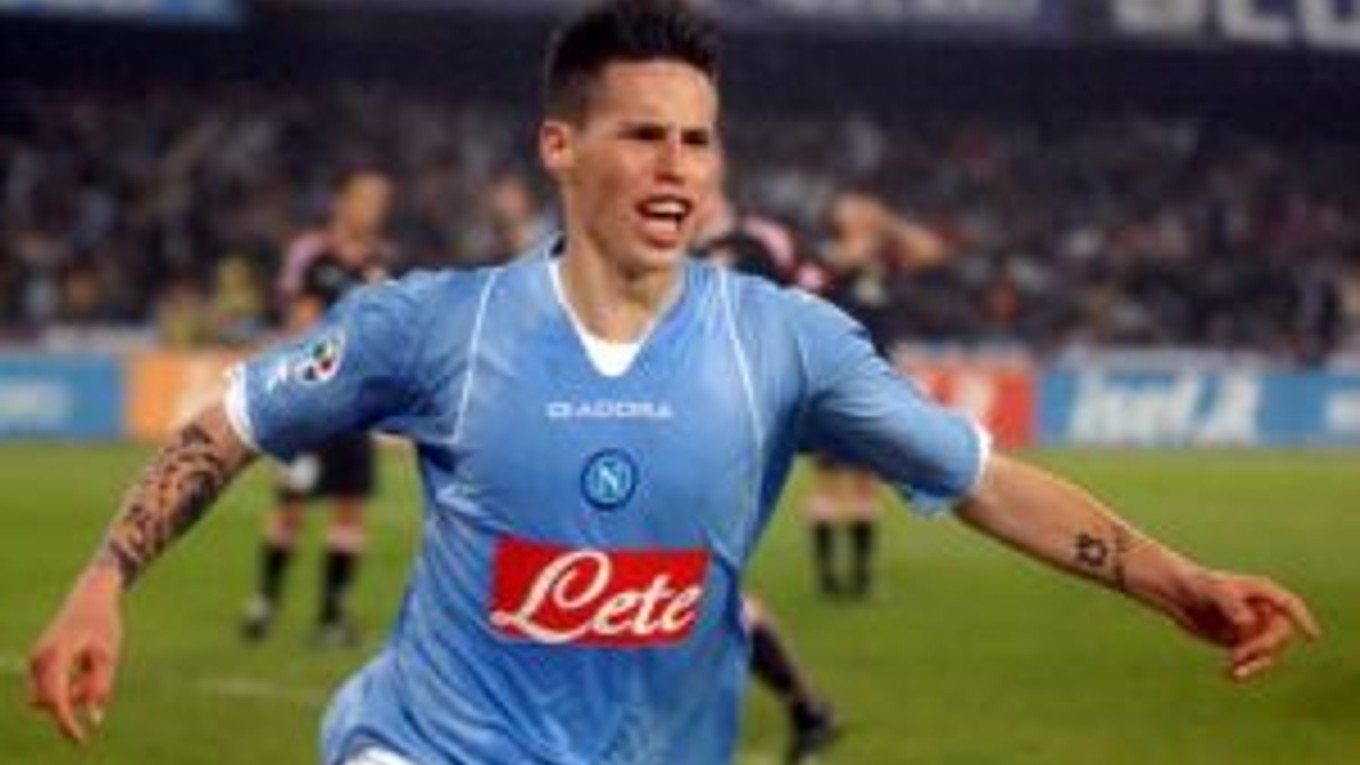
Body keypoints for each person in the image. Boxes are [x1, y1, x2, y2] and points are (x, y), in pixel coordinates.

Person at [29, 3, 1320, 765]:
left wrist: (1176, 582)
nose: (677, 166)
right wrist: (102, 580)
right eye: (642, 133)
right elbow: (230, 424)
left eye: (697, 140)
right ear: (559, 146)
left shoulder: (787, 341)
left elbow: (980, 481)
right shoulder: (434, 326)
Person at [239, 169, 395, 647]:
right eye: (365, 198)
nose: (373, 209)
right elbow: (300, 326)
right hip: (311, 405)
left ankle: (331, 615)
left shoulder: (380, 262)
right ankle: (265, 602)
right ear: (341, 201)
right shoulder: (312, 253)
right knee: (290, 506)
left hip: (356, 408)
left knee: (350, 508)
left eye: (380, 201)